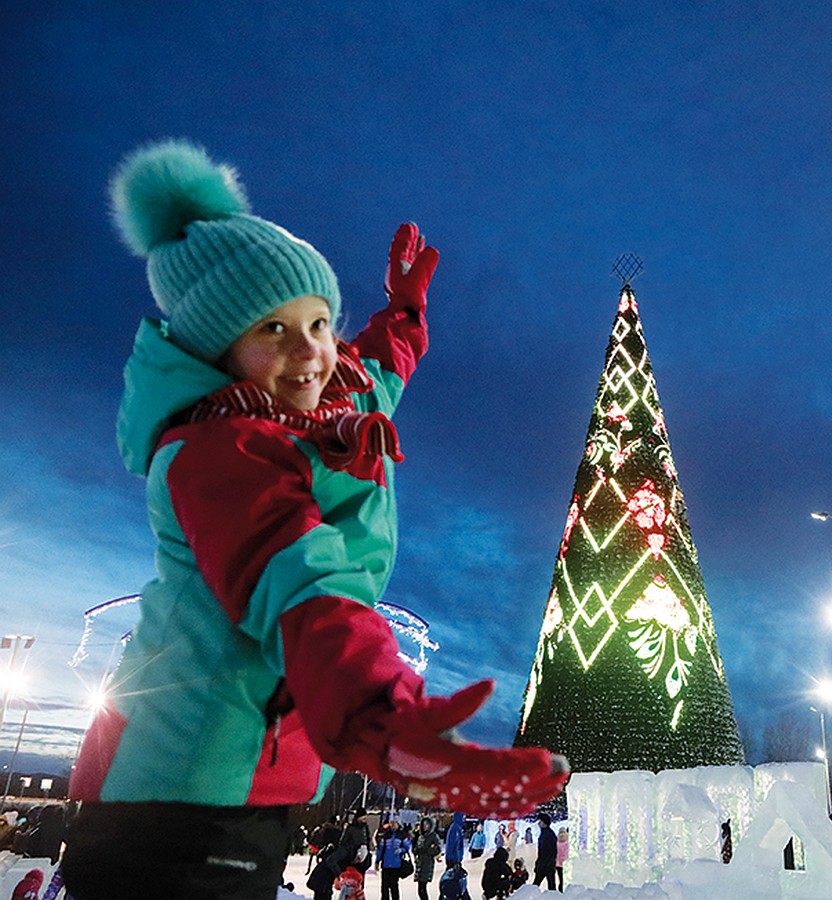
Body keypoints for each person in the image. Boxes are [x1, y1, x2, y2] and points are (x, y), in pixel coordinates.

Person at [60, 140, 569, 900]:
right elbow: (306, 587)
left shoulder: (317, 407)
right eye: (273, 329)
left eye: (320, 321)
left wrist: (402, 313)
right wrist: (385, 721)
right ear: (218, 345)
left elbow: (372, 371)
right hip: (176, 793)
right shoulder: (221, 450)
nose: (311, 352)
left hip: (251, 785)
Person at [376, 821, 412, 900]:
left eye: (395, 823)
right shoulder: (386, 835)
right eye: (391, 823)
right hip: (386, 865)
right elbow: (381, 849)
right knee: (384, 887)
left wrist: (401, 850)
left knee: (394, 886)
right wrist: (377, 861)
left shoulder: (402, 835)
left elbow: (408, 847)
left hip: (396, 865)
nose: (393, 825)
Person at [414, 816, 443, 900]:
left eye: (426, 824)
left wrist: (428, 850)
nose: (424, 826)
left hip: (427, 864)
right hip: (420, 863)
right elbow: (416, 847)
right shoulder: (420, 836)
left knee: (422, 888)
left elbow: (437, 849)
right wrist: (416, 850)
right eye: (423, 824)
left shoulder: (433, 836)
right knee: (420, 889)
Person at [341, 809, 373, 876]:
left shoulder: (365, 828)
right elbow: (344, 842)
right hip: (353, 857)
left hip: (363, 857)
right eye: (363, 817)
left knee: (360, 878)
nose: (365, 819)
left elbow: (368, 840)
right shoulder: (351, 828)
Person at [533, 813, 557, 888]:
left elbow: (545, 851)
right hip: (548, 864)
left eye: (540, 821)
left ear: (544, 823)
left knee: (535, 885)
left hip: (545, 864)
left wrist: (540, 863)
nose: (538, 823)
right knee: (551, 885)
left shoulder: (547, 835)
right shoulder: (547, 833)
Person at [556, 824, 570, 889]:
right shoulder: (567, 842)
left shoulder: (557, 842)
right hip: (566, 863)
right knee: (566, 879)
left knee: (560, 879)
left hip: (558, 864)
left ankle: (560, 890)